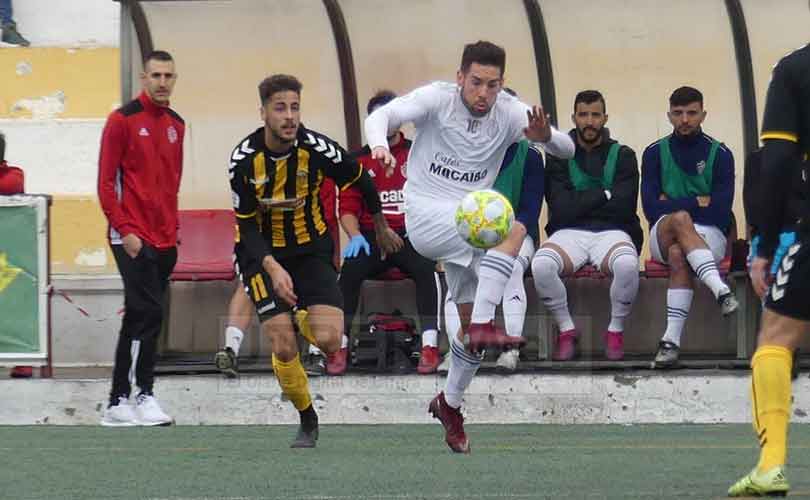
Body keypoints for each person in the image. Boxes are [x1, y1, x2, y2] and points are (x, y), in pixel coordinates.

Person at [365, 40, 574, 453]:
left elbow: (565, 149)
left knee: (468, 338)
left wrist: (545, 135)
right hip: (426, 216)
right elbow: (381, 116)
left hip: (470, 225)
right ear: (460, 77)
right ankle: (482, 322)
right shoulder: (437, 100)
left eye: (492, 85)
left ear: (502, 84)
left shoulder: (511, 112)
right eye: (476, 82)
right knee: (514, 227)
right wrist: (380, 145)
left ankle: (450, 403)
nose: (483, 93)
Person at [230, 74, 398, 447]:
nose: (289, 116)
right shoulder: (243, 161)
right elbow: (246, 226)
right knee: (284, 345)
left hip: (311, 252)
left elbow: (360, 179)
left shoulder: (319, 149)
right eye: (280, 108)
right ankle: (307, 418)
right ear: (263, 113)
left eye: (294, 107)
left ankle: (296, 317)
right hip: (260, 254)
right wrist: (272, 268)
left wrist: (382, 225)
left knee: (330, 340)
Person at [728, 36, 810, 497]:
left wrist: (763, 244)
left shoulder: (796, 68)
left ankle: (771, 464)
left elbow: (776, 161)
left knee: (776, 337)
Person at [97, 50, 184, 426]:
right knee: (149, 314)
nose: (163, 82)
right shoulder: (121, 120)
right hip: (130, 238)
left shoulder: (177, 124)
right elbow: (104, 184)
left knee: (139, 315)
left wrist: (173, 232)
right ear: (144, 78)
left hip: (165, 240)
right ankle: (141, 394)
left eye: (169, 76)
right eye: (156, 75)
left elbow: (171, 184)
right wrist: (127, 231)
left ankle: (118, 402)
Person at [338, 90, 442, 376]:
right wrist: (355, 236)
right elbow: (346, 208)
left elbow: (435, 198)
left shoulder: (418, 152)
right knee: (348, 272)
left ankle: (430, 347)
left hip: (411, 235)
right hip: (370, 237)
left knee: (427, 269)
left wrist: (433, 240)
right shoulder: (356, 161)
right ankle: (340, 347)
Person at [533, 90, 642, 361]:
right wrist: (604, 194)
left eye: (595, 115)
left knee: (627, 265)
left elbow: (625, 207)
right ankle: (567, 330)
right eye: (583, 115)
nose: (589, 121)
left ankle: (615, 331)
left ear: (605, 118)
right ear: (574, 118)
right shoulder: (558, 155)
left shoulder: (624, 154)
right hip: (569, 233)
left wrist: (578, 202)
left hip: (612, 232)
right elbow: (559, 209)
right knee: (541, 265)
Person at [640, 86, 739, 369]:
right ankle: (720, 290)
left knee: (677, 254)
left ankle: (670, 343)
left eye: (692, 113)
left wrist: (671, 202)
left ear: (703, 115)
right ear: (669, 115)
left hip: (710, 232)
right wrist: (698, 201)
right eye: (678, 113)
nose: (685, 119)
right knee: (681, 219)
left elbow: (721, 211)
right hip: (664, 229)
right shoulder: (653, 153)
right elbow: (650, 208)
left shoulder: (720, 153)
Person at [214, 178, 339, 379]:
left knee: (311, 284)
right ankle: (230, 350)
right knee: (248, 287)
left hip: (304, 245)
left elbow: (327, 218)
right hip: (260, 244)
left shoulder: (317, 168)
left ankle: (317, 354)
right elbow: (247, 218)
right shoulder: (254, 165)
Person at [0, 132, 33, 379]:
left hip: (10, 257)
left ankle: (22, 362)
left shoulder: (14, 175)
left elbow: (10, 186)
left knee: (15, 305)